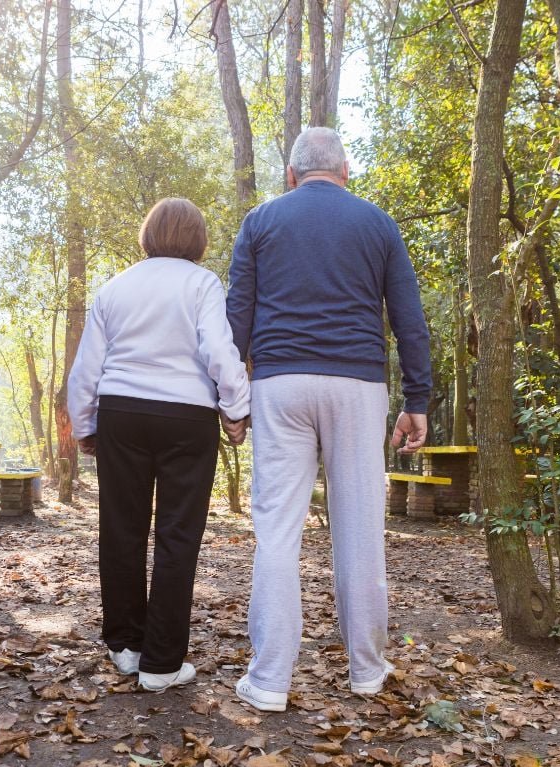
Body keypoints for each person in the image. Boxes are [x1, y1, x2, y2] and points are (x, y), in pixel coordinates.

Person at [226, 127, 431, 712]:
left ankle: (268, 681)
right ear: (345, 172)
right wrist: (418, 400)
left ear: (291, 176)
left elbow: (236, 315)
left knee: (277, 533)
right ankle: (367, 670)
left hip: (279, 384)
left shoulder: (261, 221)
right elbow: (409, 320)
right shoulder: (378, 223)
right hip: (358, 386)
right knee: (361, 530)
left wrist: (231, 400)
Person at [68, 197, 251, 692]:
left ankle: (125, 646)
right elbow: (219, 348)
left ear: (148, 235)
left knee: (121, 529)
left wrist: (84, 424)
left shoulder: (115, 287)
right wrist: (236, 409)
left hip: (122, 415)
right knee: (178, 535)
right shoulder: (202, 284)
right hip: (186, 418)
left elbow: (88, 367)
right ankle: (162, 663)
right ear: (197, 240)